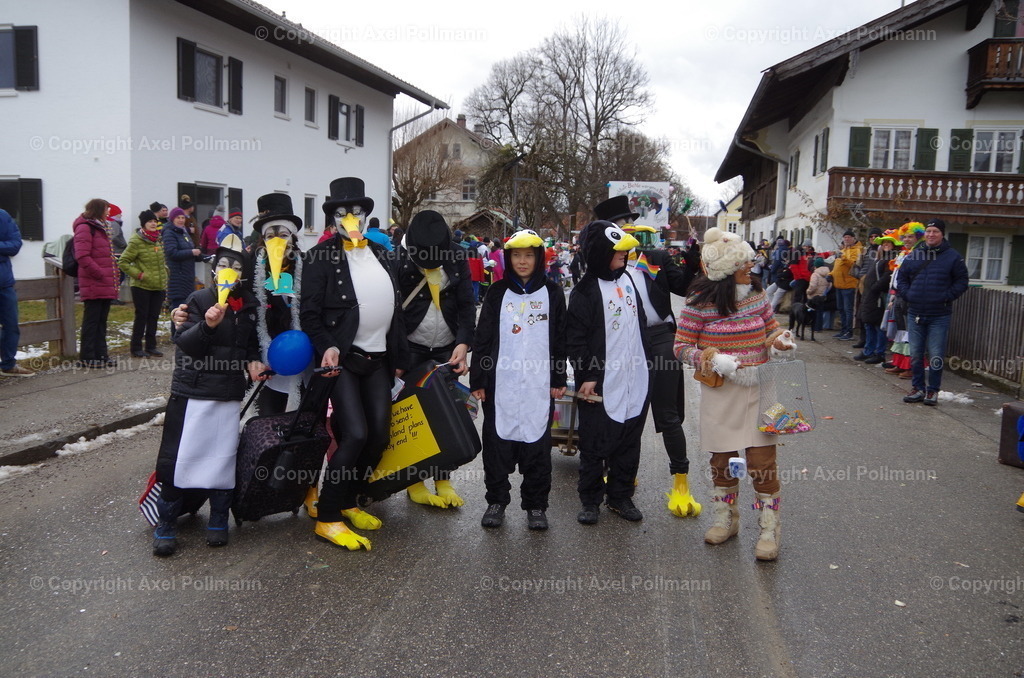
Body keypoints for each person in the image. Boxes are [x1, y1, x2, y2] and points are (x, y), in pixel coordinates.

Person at [300, 177, 410, 551]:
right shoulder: (319, 257)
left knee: (378, 435)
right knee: (355, 435)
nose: (351, 218)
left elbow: (396, 311)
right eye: (343, 212)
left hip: (379, 360)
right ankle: (329, 517)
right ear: (333, 218)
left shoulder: (381, 253)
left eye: (357, 212)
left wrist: (400, 360)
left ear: (365, 217)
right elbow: (310, 315)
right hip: (344, 360)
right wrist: (327, 346)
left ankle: (349, 499)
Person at [674, 227, 795, 561]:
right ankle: (726, 519)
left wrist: (779, 340)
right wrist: (712, 358)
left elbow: (771, 329)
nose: (751, 267)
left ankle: (769, 528)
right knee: (723, 462)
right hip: (721, 390)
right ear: (727, 269)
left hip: (760, 386)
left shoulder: (757, 295)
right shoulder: (699, 302)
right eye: (743, 262)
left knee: (761, 462)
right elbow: (681, 347)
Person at [151, 241, 267, 556]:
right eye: (225, 264)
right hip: (193, 393)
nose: (230, 271)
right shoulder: (198, 299)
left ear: (243, 274)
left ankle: (218, 519)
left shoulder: (249, 305)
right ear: (214, 269)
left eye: (237, 266)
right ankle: (166, 523)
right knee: (180, 458)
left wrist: (254, 361)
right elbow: (186, 344)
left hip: (228, 394)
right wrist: (208, 326)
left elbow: (249, 345)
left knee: (222, 458)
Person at [595, 195, 702, 518]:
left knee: (667, 414)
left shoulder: (653, 258)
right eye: (617, 224)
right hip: (622, 343)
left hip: (659, 340)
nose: (625, 228)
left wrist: (693, 255)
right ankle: (620, 476)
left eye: (627, 221)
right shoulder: (602, 265)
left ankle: (681, 482)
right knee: (622, 410)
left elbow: (684, 288)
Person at [470, 229, 566, 530]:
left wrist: (558, 376)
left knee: (537, 447)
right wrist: (479, 380)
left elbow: (560, 339)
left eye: (528, 256)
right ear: (508, 258)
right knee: (497, 445)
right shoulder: (497, 292)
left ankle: (536, 505)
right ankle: (496, 501)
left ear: (538, 259)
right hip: (502, 385)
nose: (522, 262)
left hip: (539, 385)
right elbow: (483, 337)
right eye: (516, 255)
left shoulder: (552, 292)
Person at [566, 220, 649, 525]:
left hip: (635, 379)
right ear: (600, 253)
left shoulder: (627, 279)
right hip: (600, 382)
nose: (623, 257)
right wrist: (588, 374)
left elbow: (639, 326)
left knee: (629, 441)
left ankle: (620, 496)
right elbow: (574, 339)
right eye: (616, 252)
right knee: (594, 444)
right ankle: (590, 500)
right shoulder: (585, 291)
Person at [394, 210, 476, 508]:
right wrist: (398, 355)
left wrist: (464, 343)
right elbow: (391, 312)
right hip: (411, 348)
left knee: (447, 414)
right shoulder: (397, 257)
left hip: (447, 348)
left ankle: (443, 478)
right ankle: (414, 481)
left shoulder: (457, 255)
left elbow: (468, 304)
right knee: (412, 417)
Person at [249, 193, 308, 416]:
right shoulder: (252, 268)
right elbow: (244, 316)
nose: (277, 242)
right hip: (266, 363)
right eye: (270, 237)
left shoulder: (307, 266)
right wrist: (252, 357)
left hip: (300, 358)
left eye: (283, 235)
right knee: (266, 420)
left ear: (292, 237)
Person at [899, 218, 969, 406]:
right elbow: (902, 277)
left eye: (935, 231)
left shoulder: (953, 256)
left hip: (939, 314)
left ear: (942, 234)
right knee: (915, 354)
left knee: (936, 355)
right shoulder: (915, 254)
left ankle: (933, 391)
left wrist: (946, 297)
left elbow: (962, 281)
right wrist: (908, 295)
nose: (931, 234)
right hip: (915, 313)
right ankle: (917, 388)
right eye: (929, 231)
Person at [73, 199, 119, 368]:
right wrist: (100, 273)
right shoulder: (85, 227)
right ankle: (87, 356)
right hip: (94, 281)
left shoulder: (101, 227)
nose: (108, 212)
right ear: (99, 209)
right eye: (107, 209)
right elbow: (82, 256)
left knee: (101, 321)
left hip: (104, 282)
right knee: (91, 321)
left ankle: (101, 354)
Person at [118, 210, 168, 358]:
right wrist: (139, 274)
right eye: (150, 222)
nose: (153, 224)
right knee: (142, 316)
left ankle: (151, 346)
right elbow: (123, 262)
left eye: (155, 221)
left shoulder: (157, 239)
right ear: (143, 224)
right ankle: (136, 347)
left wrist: (165, 272)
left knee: (153, 316)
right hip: (141, 286)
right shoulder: (136, 241)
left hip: (158, 285)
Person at [884, 222, 925, 378]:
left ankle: (911, 366)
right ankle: (899, 363)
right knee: (901, 331)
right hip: (899, 295)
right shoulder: (904, 253)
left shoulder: (919, 253)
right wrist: (894, 294)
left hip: (910, 296)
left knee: (910, 332)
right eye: (905, 237)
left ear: (918, 237)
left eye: (910, 236)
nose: (907, 239)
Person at [853, 232, 898, 365]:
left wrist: (874, 287)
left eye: (888, 243)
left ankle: (879, 352)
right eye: (884, 243)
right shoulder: (881, 258)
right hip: (870, 295)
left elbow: (887, 277)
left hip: (878, 296)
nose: (885, 245)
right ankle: (868, 350)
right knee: (869, 323)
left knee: (878, 325)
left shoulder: (891, 259)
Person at [0, 208, 34, 377]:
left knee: (11, 325)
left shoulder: (3, 216)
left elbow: (15, 245)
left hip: (4, 283)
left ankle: (8, 364)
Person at [163, 206, 203, 311]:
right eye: (178, 218)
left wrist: (201, 255)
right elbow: (172, 253)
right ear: (172, 219)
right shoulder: (169, 233)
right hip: (177, 277)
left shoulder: (184, 232)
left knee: (186, 310)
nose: (181, 220)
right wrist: (191, 252)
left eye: (183, 218)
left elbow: (189, 251)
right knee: (178, 310)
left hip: (187, 277)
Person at [832, 229, 862, 340]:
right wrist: (831, 274)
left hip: (849, 284)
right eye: (845, 237)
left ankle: (849, 332)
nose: (846, 239)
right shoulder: (843, 250)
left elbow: (853, 264)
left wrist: (843, 257)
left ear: (854, 239)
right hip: (838, 284)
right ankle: (843, 330)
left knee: (848, 309)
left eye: (849, 237)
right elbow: (837, 266)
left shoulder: (857, 250)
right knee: (841, 309)